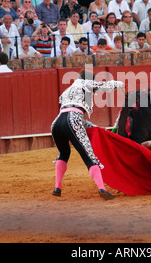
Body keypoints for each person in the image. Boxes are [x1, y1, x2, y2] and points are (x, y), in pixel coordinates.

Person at [51, 69, 123, 199]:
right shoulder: (86, 84)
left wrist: (97, 129)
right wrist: (119, 83)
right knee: (90, 157)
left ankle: (57, 187)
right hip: (73, 120)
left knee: (63, 154)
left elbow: (73, 114)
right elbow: (105, 86)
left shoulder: (66, 91)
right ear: (89, 80)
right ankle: (102, 188)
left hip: (56, 123)